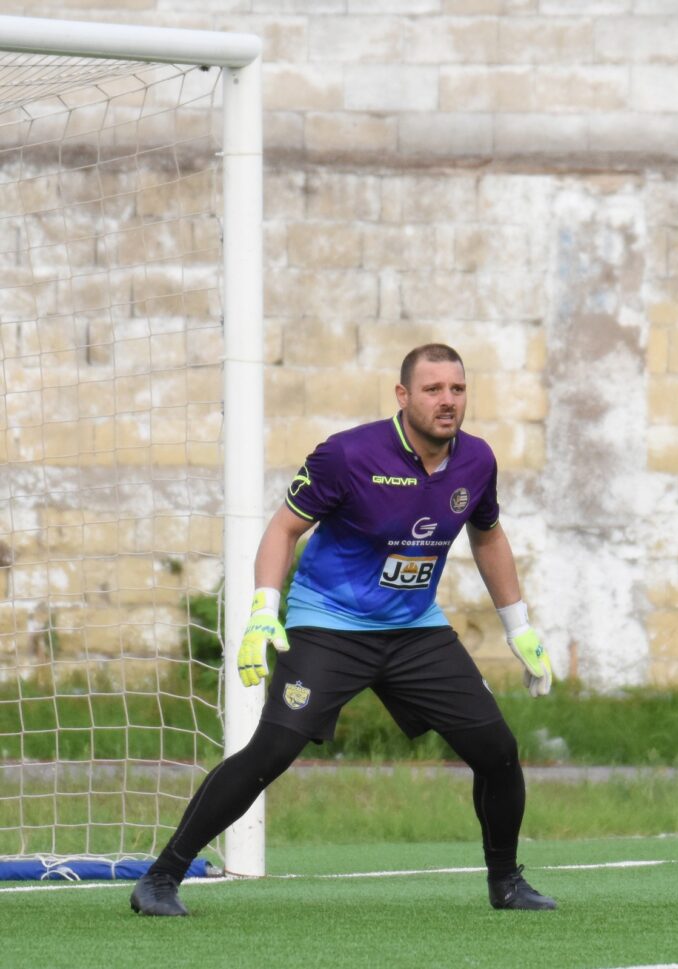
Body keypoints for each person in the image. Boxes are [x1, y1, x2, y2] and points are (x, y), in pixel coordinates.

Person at [130, 343, 556, 917]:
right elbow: (283, 529)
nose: (447, 401)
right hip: (330, 622)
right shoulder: (347, 454)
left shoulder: (477, 460)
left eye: (457, 389)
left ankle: (506, 883)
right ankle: (160, 879)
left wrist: (519, 627)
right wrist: (263, 611)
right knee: (271, 751)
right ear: (403, 395)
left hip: (414, 628)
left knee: (497, 750)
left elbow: (488, 535)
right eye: (433, 389)